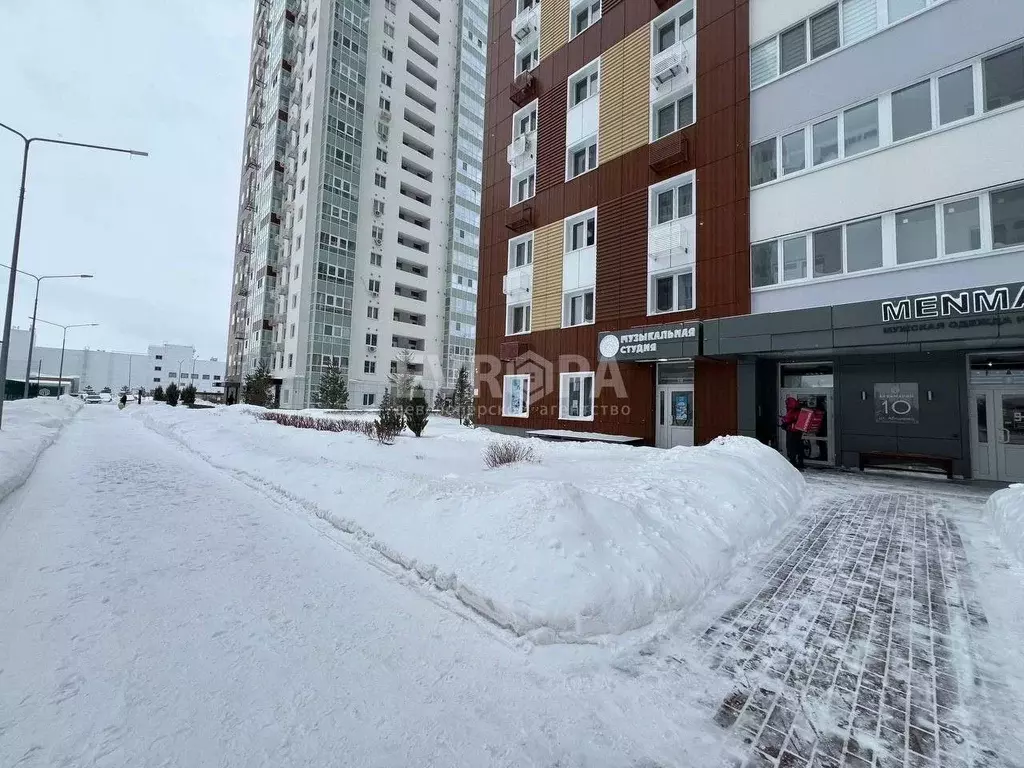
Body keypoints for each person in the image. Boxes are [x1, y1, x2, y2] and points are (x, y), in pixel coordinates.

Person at [780, 396, 805, 470]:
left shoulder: (792, 411)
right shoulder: (799, 410)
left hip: (792, 432)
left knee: (791, 447)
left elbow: (788, 420)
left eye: (786, 404)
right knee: (799, 447)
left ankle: (793, 463)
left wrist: (784, 423)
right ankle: (800, 462)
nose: (786, 405)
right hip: (799, 431)